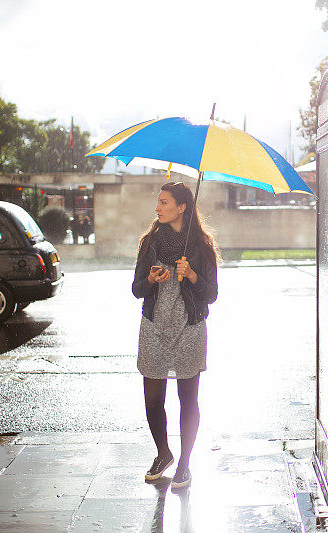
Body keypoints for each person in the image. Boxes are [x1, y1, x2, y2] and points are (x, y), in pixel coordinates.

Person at [131, 181, 219, 490]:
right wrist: (151, 280)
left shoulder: (202, 246)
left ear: (182, 207)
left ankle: (184, 463)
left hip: (190, 330)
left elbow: (211, 294)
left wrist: (192, 275)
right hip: (154, 328)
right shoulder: (150, 242)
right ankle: (163, 453)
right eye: (159, 202)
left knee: (187, 400)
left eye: (164, 202)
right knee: (153, 401)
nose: (158, 208)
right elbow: (136, 289)